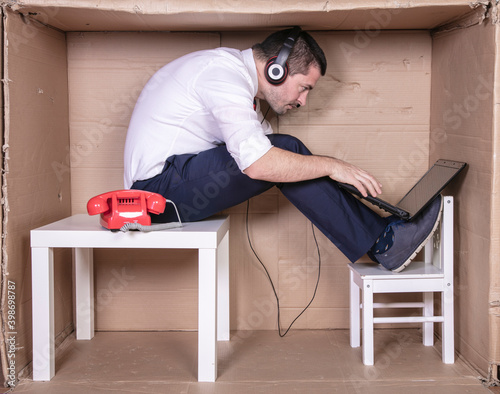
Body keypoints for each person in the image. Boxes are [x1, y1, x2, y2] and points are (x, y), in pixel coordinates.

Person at [123, 27, 442, 273]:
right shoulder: (221, 73)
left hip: (173, 187)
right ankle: (386, 243)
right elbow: (261, 163)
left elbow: (281, 160)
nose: (303, 101)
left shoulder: (241, 89)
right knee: (286, 151)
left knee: (290, 156)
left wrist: (335, 173)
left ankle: (385, 235)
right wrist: (332, 166)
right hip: (151, 197)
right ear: (278, 69)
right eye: (305, 87)